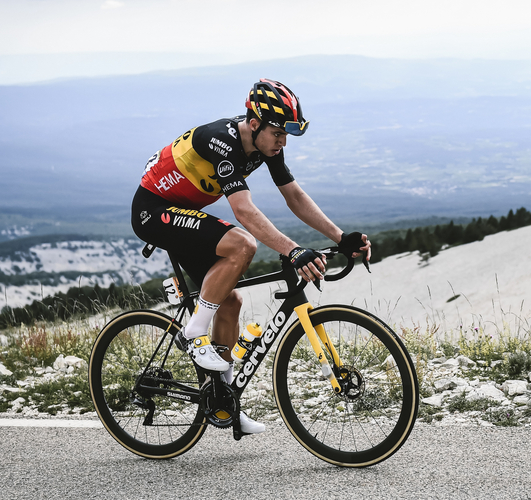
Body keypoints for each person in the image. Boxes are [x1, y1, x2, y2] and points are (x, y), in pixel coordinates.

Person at [130, 78, 371, 435]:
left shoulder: (266, 145)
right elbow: (243, 211)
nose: (283, 142)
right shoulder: (222, 141)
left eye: (287, 134)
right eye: (278, 133)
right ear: (254, 123)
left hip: (184, 213)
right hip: (155, 211)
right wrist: (292, 250)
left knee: (229, 303)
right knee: (242, 245)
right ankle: (193, 334)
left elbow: (294, 196)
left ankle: (223, 399)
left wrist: (339, 236)